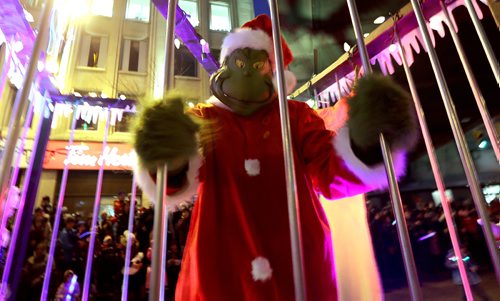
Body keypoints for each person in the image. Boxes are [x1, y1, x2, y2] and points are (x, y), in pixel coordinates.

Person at [133, 14, 418, 300]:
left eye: (257, 65)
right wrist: (167, 152)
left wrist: (366, 144)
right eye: (240, 64)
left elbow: (331, 174)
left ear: (272, 71)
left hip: (296, 266)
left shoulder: (296, 117)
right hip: (221, 267)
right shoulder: (205, 119)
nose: (247, 75)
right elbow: (173, 181)